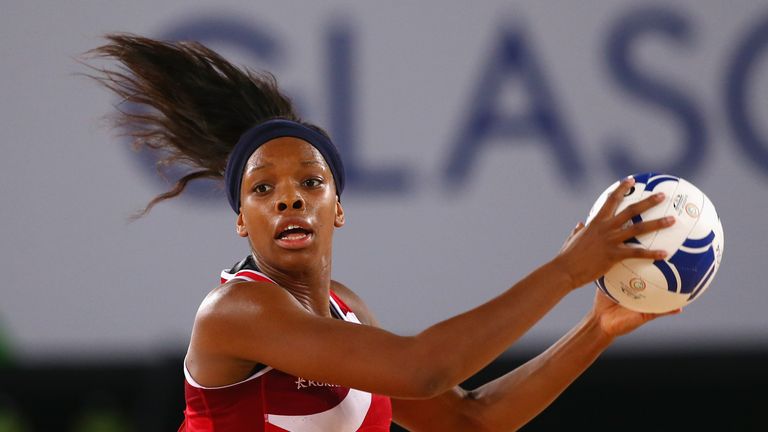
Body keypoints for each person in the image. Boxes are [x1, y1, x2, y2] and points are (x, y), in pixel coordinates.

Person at [89, 34, 678, 432]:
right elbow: (422, 368)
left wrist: (596, 327)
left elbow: (470, 422)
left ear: (336, 208)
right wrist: (568, 268)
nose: (289, 196)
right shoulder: (235, 309)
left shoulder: (346, 311)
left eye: (310, 182)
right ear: (241, 221)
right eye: (262, 189)